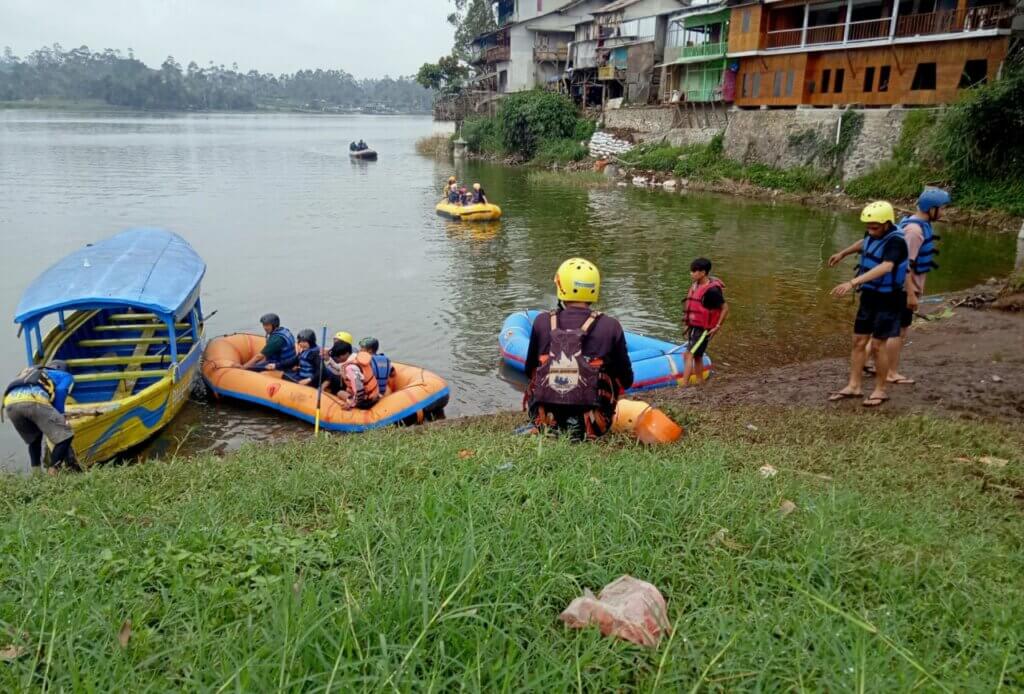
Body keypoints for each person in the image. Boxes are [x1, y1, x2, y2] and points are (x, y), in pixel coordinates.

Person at [523, 257, 633, 440]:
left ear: (561, 286)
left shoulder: (542, 321)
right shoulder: (611, 326)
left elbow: (530, 371)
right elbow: (626, 380)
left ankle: (550, 421)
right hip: (594, 425)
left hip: (544, 420)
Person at [827, 201, 909, 407]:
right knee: (858, 341)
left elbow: (886, 267)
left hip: (888, 298)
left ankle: (880, 390)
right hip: (870, 296)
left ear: (887, 223)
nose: (870, 230)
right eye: (868, 226)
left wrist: (852, 282)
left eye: (874, 227)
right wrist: (843, 253)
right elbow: (863, 243)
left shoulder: (896, 242)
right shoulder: (872, 233)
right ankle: (854, 386)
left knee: (878, 345)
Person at [884, 187, 951, 384]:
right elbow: (905, 265)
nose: (944, 213)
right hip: (904, 289)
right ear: (932, 209)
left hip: (903, 288)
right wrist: (911, 294)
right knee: (898, 331)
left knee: (888, 329)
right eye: (942, 208)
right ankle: (890, 372)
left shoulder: (916, 224)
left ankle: (873, 363)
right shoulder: (914, 231)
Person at [3, 360, 79, 472]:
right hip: (33, 400)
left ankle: (36, 474)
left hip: (9, 403)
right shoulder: (65, 375)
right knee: (66, 435)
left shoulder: (32, 371)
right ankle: (53, 472)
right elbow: (61, 390)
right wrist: (60, 415)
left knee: (34, 439)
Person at [681, 257, 728, 386]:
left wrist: (717, 326)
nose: (691, 273)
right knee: (697, 356)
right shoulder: (696, 285)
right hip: (694, 327)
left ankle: (683, 386)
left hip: (703, 330)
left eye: (694, 271)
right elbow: (692, 308)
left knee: (688, 354)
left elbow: (725, 308)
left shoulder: (712, 291)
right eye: (691, 271)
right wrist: (687, 325)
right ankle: (700, 382)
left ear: (703, 273)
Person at [324, 332, 380, 409]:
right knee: (345, 390)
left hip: (367, 400)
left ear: (345, 354)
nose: (337, 359)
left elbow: (359, 390)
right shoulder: (356, 357)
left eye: (338, 357)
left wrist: (351, 404)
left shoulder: (350, 368)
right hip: (374, 394)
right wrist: (328, 359)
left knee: (340, 393)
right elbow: (339, 368)